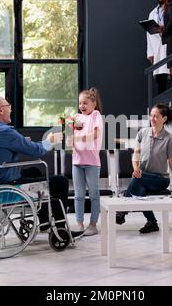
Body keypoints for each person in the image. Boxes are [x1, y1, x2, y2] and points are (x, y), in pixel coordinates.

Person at [0, 96, 80, 235]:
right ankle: (61, 229)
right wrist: (49, 141)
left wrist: (21, 141)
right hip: (8, 188)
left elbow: (5, 147)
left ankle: (44, 221)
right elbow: (36, 151)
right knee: (60, 182)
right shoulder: (4, 131)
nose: (10, 109)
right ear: (0, 110)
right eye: (8, 106)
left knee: (34, 171)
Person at [116, 104, 172, 233]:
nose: (152, 119)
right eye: (151, 116)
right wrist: (135, 168)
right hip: (142, 178)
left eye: (156, 116)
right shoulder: (142, 133)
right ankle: (152, 223)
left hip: (160, 180)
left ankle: (123, 210)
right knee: (140, 190)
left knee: (138, 179)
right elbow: (135, 154)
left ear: (164, 119)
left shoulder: (169, 139)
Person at [67, 88, 104, 236]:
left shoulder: (96, 115)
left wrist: (78, 138)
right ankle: (80, 224)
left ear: (93, 104)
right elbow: (70, 136)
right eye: (80, 103)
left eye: (85, 103)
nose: (82, 106)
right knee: (79, 194)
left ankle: (93, 224)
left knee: (94, 194)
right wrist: (69, 136)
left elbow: (95, 135)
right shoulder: (76, 117)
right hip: (77, 161)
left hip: (92, 162)